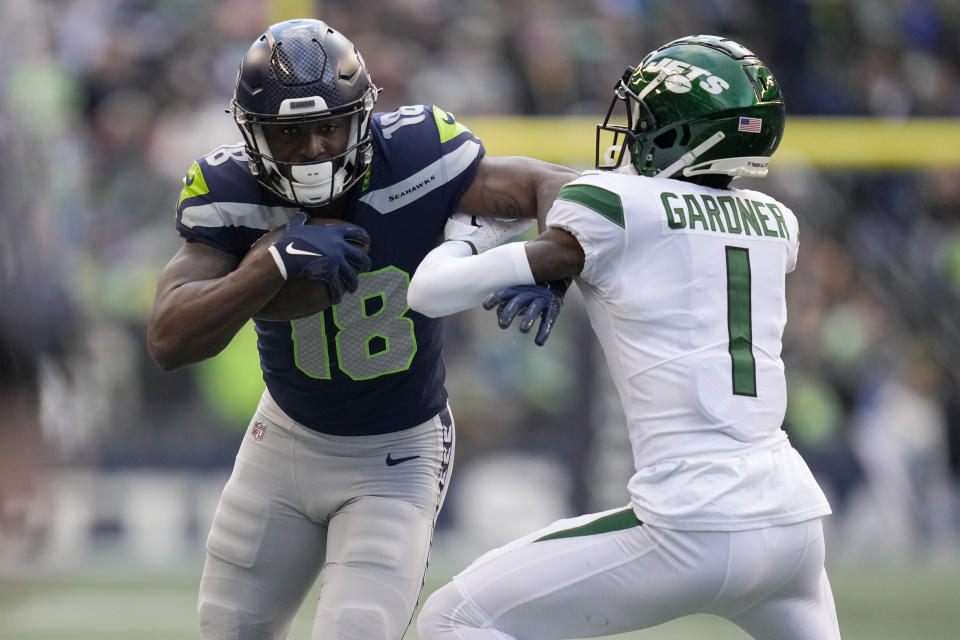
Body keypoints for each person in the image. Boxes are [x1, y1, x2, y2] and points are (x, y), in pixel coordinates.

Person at [145, 18, 575, 640]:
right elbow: (168, 339)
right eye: (291, 135)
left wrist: (551, 259)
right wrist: (269, 263)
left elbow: (550, 184)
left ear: (365, 116)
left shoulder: (418, 155)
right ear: (254, 133)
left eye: (329, 126)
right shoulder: (231, 189)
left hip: (396, 454)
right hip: (284, 444)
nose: (316, 148)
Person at [408, 35, 840, 640]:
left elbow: (429, 293)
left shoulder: (613, 203)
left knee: (452, 618)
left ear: (690, 133)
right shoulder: (778, 224)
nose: (632, 131)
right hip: (793, 527)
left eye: (648, 117)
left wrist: (473, 233)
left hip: (691, 523)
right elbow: (670, 246)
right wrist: (564, 267)